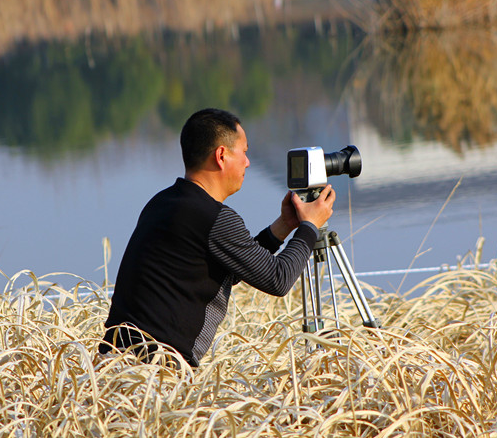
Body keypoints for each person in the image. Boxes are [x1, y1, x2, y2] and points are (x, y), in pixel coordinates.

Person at [99, 108, 335, 367]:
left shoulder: (162, 202)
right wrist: (310, 226)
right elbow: (279, 280)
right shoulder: (213, 217)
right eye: (244, 152)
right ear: (221, 156)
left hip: (117, 363)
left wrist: (283, 226)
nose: (248, 162)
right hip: (157, 369)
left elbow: (227, 269)